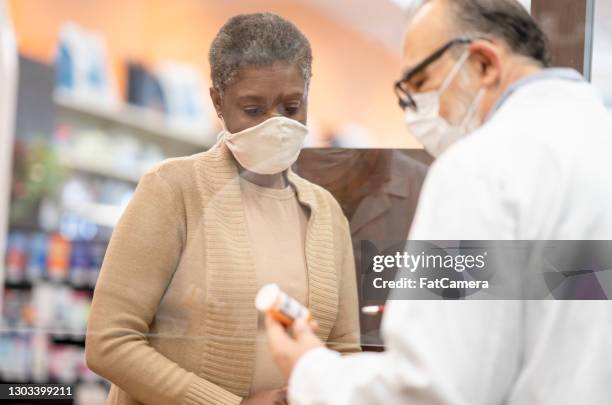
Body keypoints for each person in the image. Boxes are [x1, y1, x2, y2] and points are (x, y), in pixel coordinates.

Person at [265, 0, 612, 404]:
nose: (417, 118)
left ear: (483, 63)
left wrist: (308, 367)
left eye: (423, 85)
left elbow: (430, 391)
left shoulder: (482, 167)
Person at [85, 13, 360, 405]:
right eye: (253, 109)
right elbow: (108, 341)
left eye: (291, 106)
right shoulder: (172, 189)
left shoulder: (326, 213)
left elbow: (345, 348)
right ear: (217, 101)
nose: (276, 124)